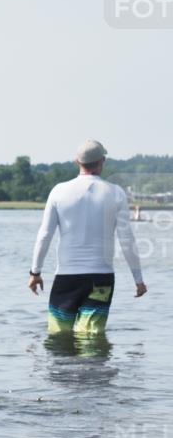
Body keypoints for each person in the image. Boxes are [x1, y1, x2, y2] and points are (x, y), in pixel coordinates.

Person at [29, 139, 147, 335]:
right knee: (92, 337)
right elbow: (127, 240)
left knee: (59, 335)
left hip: (67, 277)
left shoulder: (58, 191)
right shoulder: (116, 193)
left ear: (77, 161)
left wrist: (35, 273)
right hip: (101, 277)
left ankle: (63, 366)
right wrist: (139, 280)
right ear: (102, 161)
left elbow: (45, 235)